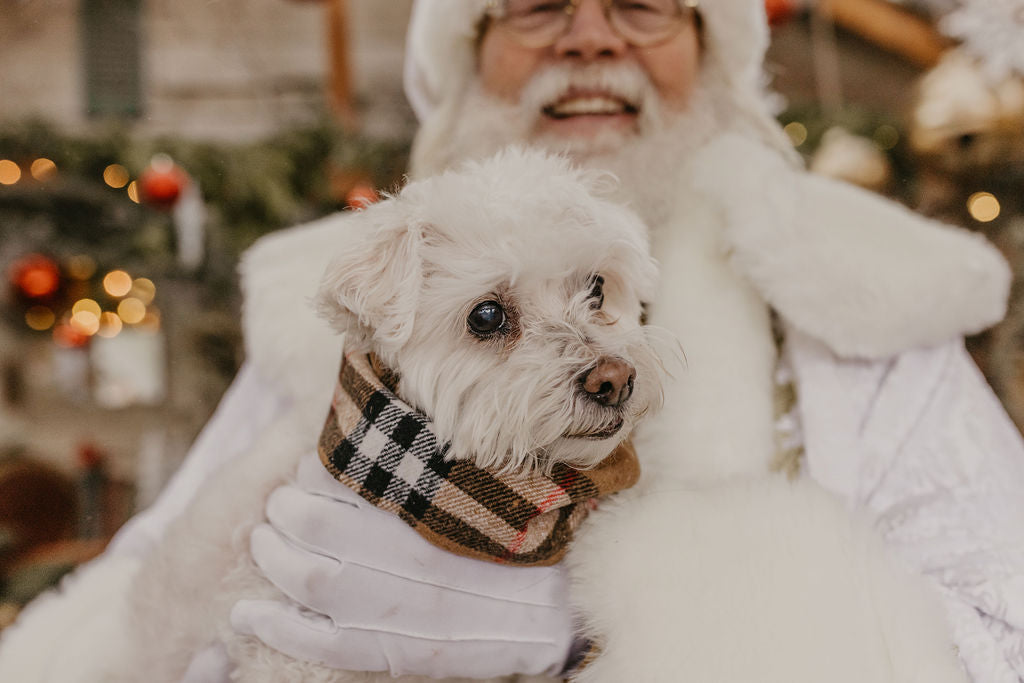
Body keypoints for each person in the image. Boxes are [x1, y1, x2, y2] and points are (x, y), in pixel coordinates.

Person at [2, 0, 1023, 680]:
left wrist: (604, 621)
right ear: (470, 51)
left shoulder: (869, 293)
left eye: (643, 2)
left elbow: (1002, 630)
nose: (590, 38)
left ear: (709, 47)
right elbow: (138, 604)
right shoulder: (328, 298)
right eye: (537, 3)